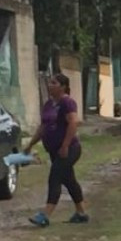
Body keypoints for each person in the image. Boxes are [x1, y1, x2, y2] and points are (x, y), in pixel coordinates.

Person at [24, 73, 88, 227]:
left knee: (55, 178)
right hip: (55, 151)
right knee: (69, 180)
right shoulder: (48, 105)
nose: (50, 85)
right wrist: (30, 144)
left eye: (54, 83)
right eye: (50, 82)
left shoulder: (67, 102)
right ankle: (81, 213)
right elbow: (43, 127)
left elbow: (73, 123)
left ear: (63, 87)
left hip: (69, 149)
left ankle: (45, 215)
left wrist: (65, 145)